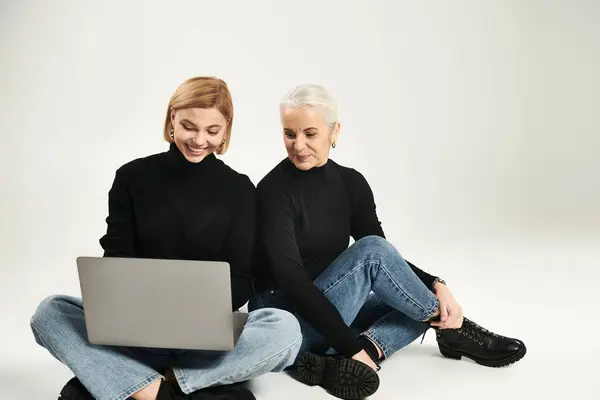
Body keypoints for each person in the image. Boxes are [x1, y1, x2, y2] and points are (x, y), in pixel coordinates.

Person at [30, 77, 302, 400]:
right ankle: (171, 389)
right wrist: (140, 305)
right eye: (189, 126)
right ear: (172, 117)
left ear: (226, 129)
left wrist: (191, 306)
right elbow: (115, 263)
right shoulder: (131, 178)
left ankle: (148, 385)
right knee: (50, 313)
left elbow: (241, 281)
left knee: (285, 329)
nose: (199, 140)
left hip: (206, 341)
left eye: (212, 131)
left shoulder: (241, 190)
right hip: (136, 336)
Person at [250, 84, 527, 399]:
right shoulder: (273, 191)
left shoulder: (350, 183)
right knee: (379, 261)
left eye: (310, 134)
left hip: (333, 307)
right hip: (286, 316)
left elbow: (390, 266)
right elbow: (293, 281)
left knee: (411, 297)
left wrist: (436, 283)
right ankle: (452, 330)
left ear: (334, 131)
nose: (298, 145)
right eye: (289, 133)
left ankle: (354, 355)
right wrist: (350, 345)